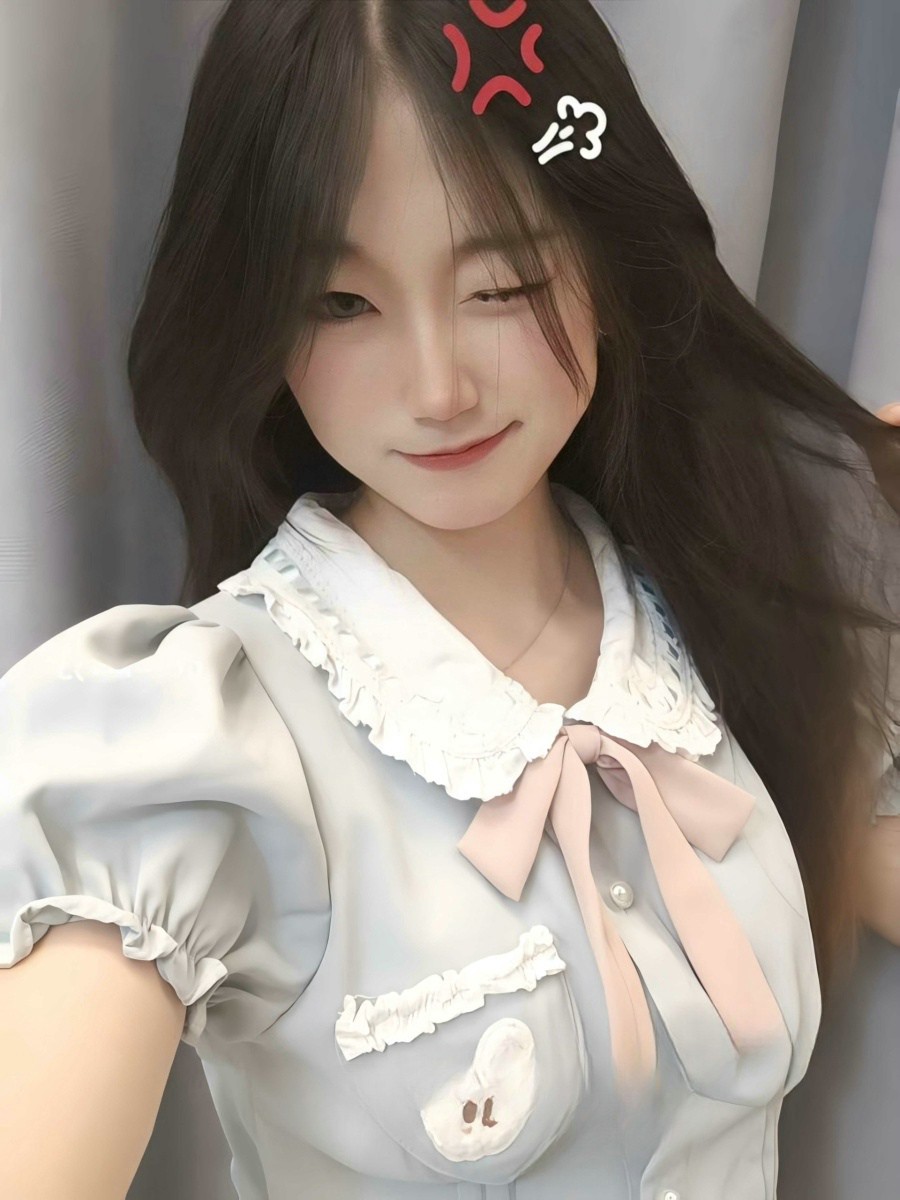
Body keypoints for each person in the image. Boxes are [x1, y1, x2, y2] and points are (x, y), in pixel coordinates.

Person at [1, 2, 898, 1197]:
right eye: (341, 304)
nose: (438, 387)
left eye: (502, 284)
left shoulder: (724, 604)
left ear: (604, 258)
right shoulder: (202, 743)